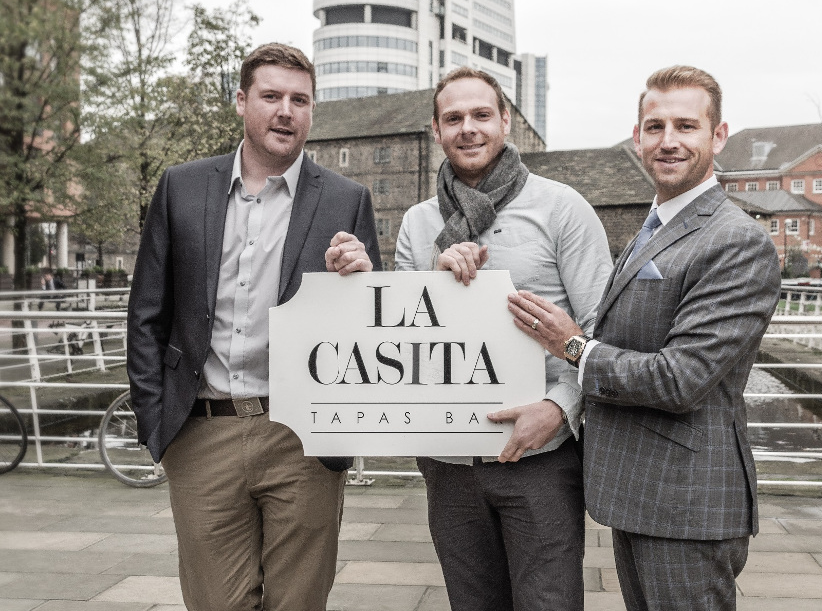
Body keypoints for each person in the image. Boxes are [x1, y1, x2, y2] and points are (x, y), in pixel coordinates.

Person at [506, 66, 781, 610]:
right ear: (637, 138)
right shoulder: (656, 225)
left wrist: (573, 346)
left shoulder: (736, 241)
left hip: (687, 504)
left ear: (718, 136)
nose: (668, 140)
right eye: (655, 127)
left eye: (686, 126)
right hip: (640, 494)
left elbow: (681, 379)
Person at [126, 43, 381, 611]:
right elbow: (146, 312)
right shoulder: (181, 187)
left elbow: (372, 336)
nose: (286, 111)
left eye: (300, 100)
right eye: (271, 96)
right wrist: (155, 423)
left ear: (312, 110)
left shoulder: (347, 200)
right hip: (200, 434)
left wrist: (361, 281)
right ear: (242, 101)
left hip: (303, 439)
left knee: (299, 602)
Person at [394, 67, 612, 611]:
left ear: (505, 121)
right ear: (436, 130)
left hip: (539, 457)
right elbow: (399, 338)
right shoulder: (418, 224)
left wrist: (560, 409)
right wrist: (432, 280)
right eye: (453, 118)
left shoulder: (562, 207)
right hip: (449, 463)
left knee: (548, 603)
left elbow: (603, 330)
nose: (468, 128)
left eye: (481, 114)